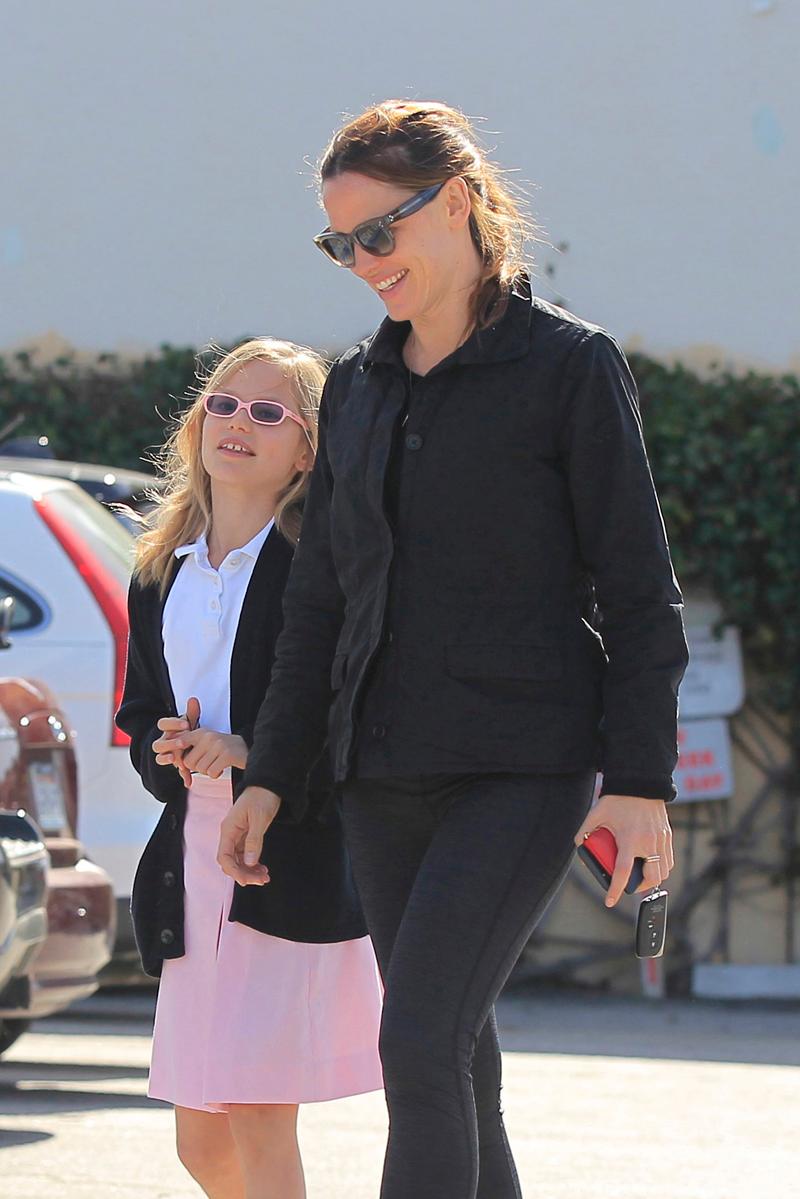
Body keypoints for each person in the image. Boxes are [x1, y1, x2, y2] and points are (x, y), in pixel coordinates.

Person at [217, 101, 689, 1199]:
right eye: (341, 244)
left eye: (378, 233)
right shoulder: (359, 390)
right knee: (455, 1059)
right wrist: (274, 772)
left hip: (519, 763)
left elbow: (635, 588)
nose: (362, 262)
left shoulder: (569, 368)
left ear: (460, 203)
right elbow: (320, 604)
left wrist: (637, 782)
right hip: (380, 773)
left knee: (418, 1040)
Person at [115, 338, 383, 1199]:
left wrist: (250, 758)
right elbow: (136, 708)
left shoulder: (321, 564)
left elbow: (341, 710)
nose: (240, 423)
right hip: (191, 862)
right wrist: (167, 747)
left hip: (284, 856)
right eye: (225, 404)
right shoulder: (160, 568)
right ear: (197, 423)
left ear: (308, 450)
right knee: (201, 1141)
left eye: (271, 412)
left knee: (259, 1111)